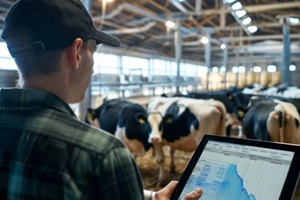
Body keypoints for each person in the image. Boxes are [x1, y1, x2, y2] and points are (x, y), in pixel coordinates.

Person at [0, 0, 203, 199]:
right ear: (77, 52)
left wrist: (149, 197)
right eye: (93, 51)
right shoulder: (101, 155)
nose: (94, 67)